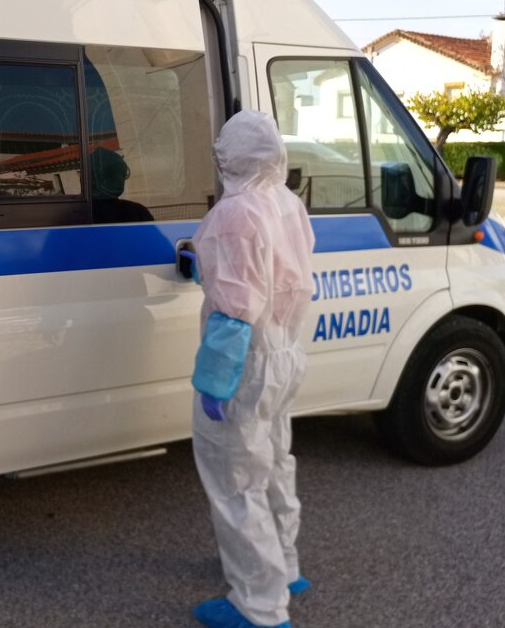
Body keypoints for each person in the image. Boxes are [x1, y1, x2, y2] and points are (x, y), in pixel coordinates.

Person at [188, 110, 316, 628]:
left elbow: (234, 311)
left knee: (236, 479)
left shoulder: (234, 214)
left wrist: (216, 382)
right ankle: (284, 567)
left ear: (229, 159)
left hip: (246, 361)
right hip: (285, 353)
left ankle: (260, 606)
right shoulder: (287, 202)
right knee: (275, 461)